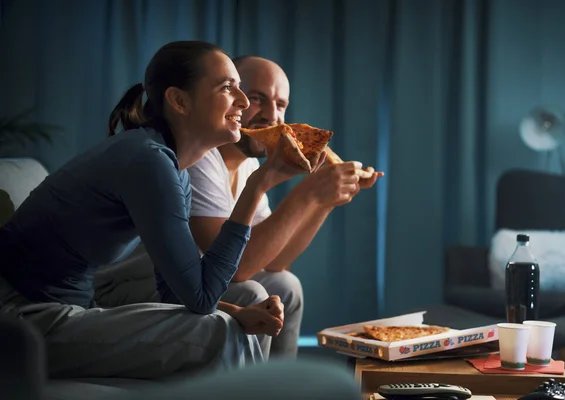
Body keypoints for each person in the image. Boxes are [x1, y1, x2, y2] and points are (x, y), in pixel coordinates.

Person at [0, 41, 303, 379]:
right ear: (179, 101)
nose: (243, 101)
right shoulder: (148, 161)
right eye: (227, 87)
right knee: (220, 331)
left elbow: (178, 293)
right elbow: (201, 300)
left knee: (232, 321)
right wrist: (257, 185)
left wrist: (236, 311)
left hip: (65, 309)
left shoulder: (174, 170)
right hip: (21, 320)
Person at [186, 56, 383, 358]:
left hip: (207, 280)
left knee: (286, 285)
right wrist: (307, 193)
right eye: (257, 99)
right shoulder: (201, 160)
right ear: (232, 99)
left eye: (280, 105)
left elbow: (275, 263)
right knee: (255, 293)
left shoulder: (249, 165)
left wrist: (323, 201)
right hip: (153, 283)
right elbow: (235, 270)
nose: (272, 116)